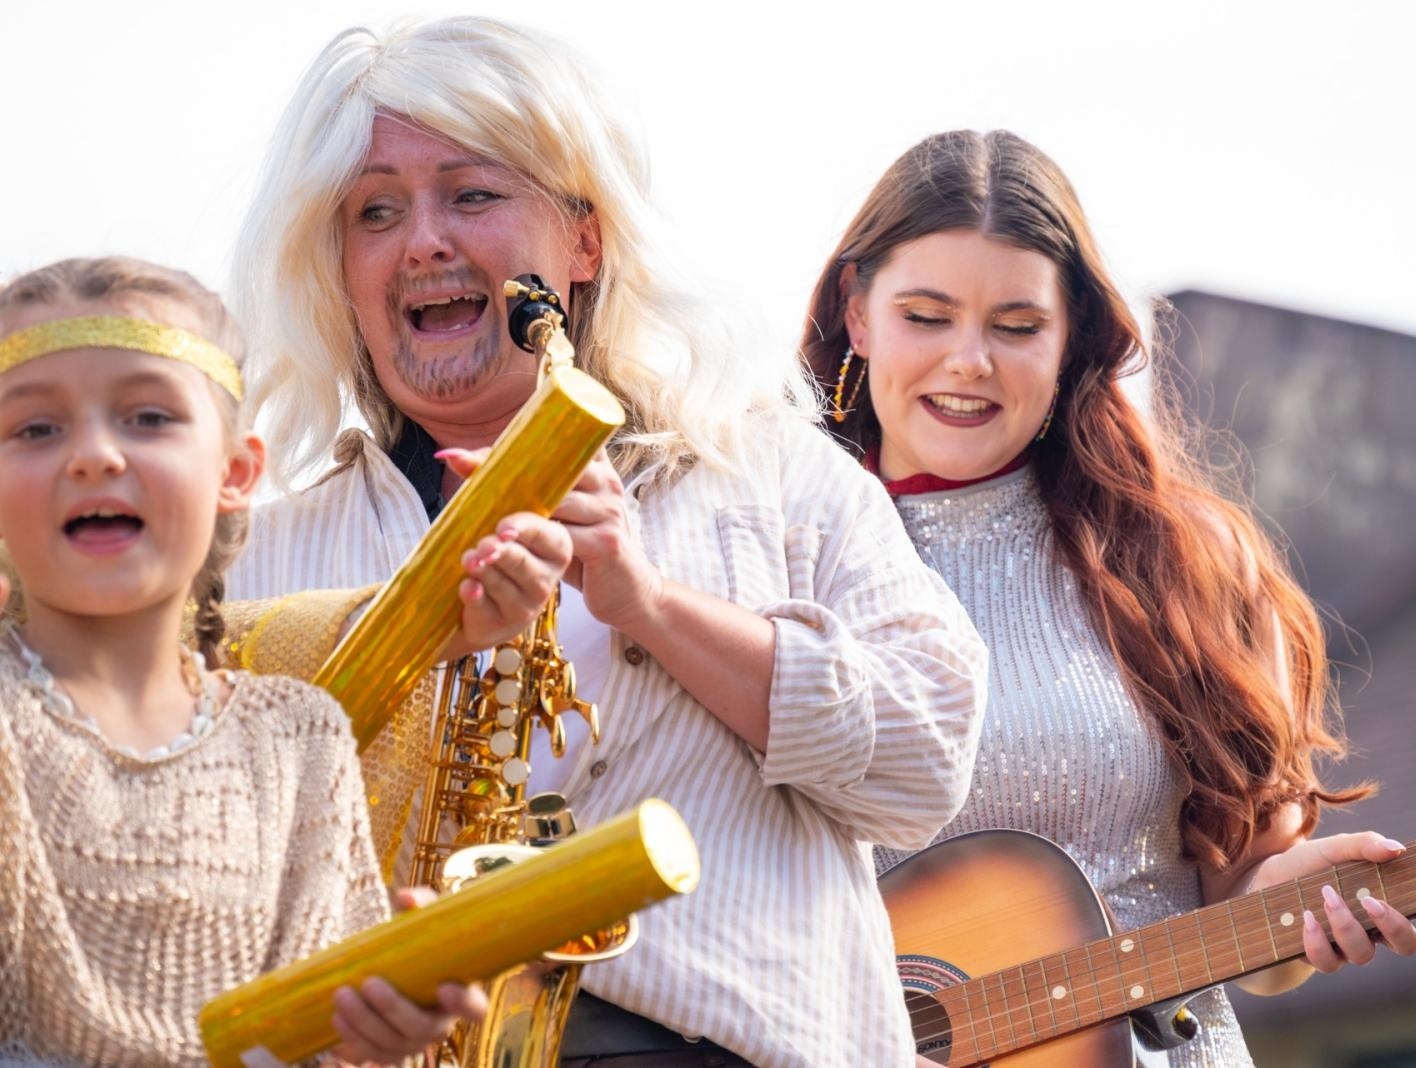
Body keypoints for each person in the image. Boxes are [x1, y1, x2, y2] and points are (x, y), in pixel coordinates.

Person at [226, 18, 986, 1067]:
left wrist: (652, 605)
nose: (424, 242)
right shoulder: (260, 558)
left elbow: (925, 768)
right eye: (375, 212)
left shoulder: (774, 477)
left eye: (474, 194)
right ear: (339, 269)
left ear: (584, 242)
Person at [802, 130, 1416, 1066]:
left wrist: (1302, 901)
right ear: (856, 309)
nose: (970, 361)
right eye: (926, 316)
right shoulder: (767, 546)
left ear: (1073, 337)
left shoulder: (1184, 563)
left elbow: (1247, 910)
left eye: (1016, 326)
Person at [0, 256, 482, 1066]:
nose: (93, 456)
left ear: (236, 473)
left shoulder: (297, 739)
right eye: (36, 429)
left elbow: (319, 1039)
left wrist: (374, 1036)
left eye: (148, 418)